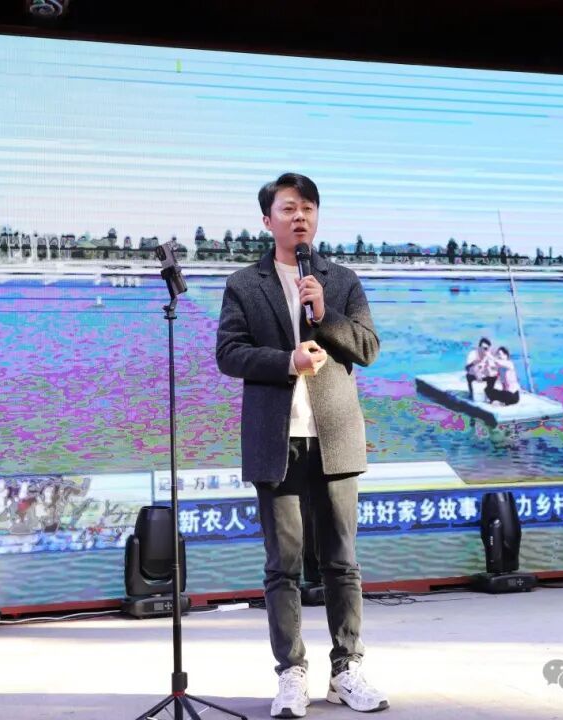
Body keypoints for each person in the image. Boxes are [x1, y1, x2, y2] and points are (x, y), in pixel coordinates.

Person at [216, 173, 388, 718]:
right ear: (267, 220)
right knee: (283, 566)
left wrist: (324, 315)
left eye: (308, 208)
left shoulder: (341, 281)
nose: (300, 217)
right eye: (289, 208)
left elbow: (368, 348)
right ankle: (291, 673)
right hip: (276, 439)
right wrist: (286, 361)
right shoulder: (245, 284)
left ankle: (347, 669)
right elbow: (228, 354)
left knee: (341, 562)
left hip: (335, 437)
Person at [464, 337, 497, 401]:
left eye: (487, 348)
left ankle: (488, 392)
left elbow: (493, 369)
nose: (485, 350)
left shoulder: (488, 355)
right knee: (469, 375)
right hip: (473, 375)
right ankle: (471, 394)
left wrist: (489, 366)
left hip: (484, 375)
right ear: (479, 347)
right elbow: (467, 368)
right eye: (484, 348)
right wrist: (474, 364)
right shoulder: (473, 353)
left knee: (493, 375)